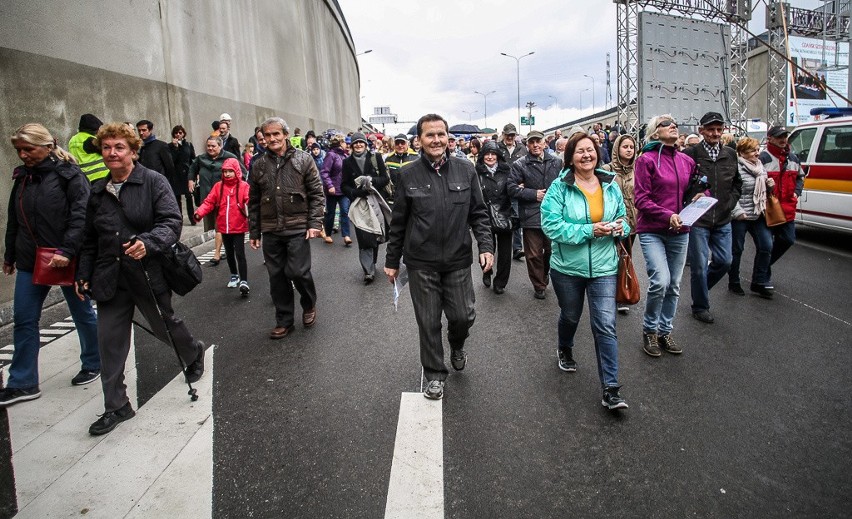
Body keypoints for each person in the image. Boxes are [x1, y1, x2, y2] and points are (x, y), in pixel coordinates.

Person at [77, 123, 205, 435]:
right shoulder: (97, 190)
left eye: (119, 147)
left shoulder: (153, 181)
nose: (112, 153)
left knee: (164, 325)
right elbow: (90, 239)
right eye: (106, 148)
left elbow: (171, 221)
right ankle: (117, 406)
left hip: (147, 272)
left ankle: (192, 351)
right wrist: (82, 274)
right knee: (109, 341)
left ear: (134, 152)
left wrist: (147, 242)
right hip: (110, 276)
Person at [384, 114, 493, 401]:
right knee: (429, 322)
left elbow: (479, 213)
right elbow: (398, 222)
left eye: (441, 134)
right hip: (421, 263)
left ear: (448, 138)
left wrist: (485, 246)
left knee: (462, 317)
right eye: (429, 135)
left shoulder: (465, 170)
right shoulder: (407, 174)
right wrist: (392, 261)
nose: (436, 140)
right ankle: (434, 375)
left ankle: (457, 345)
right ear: (418, 140)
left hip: (457, 260)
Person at [1, 123, 101, 407]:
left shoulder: (70, 176)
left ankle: (94, 362)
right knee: (24, 319)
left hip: (65, 259)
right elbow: (15, 219)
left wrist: (68, 251)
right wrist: (10, 255)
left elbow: (80, 217)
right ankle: (22, 382)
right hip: (30, 261)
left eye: (28, 149)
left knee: (82, 312)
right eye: (19, 150)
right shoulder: (22, 178)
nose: (23, 155)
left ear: (48, 145)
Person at [540, 132, 630, 410]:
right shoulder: (559, 187)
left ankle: (611, 389)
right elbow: (551, 226)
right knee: (570, 315)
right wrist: (590, 230)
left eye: (590, 150)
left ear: (597, 153)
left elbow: (624, 220)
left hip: (604, 267)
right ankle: (565, 347)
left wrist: (619, 228)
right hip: (567, 268)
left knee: (605, 325)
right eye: (580, 151)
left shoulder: (611, 184)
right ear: (570, 157)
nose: (587, 155)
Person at [248, 117, 324, 339]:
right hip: (271, 229)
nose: (272, 139)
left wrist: (314, 223)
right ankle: (284, 321)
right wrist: (254, 231)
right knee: (277, 277)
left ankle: (309, 303)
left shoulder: (304, 160)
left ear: (285, 135)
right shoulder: (259, 165)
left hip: (297, 226)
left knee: (298, 272)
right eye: (267, 135)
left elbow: (317, 194)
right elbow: (253, 201)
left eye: (276, 134)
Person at [633, 114, 694, 357]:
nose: (673, 125)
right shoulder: (646, 160)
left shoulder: (686, 161)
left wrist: (701, 196)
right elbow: (641, 199)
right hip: (652, 230)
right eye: (666, 123)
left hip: (681, 230)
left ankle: (664, 331)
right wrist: (667, 214)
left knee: (675, 284)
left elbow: (697, 188)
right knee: (661, 281)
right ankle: (649, 330)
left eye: (674, 123)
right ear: (655, 133)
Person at [682, 112, 742, 324]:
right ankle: (700, 306)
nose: (715, 133)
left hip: (723, 218)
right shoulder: (690, 154)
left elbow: (737, 184)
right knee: (698, 265)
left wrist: (730, 203)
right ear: (701, 131)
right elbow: (682, 185)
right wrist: (690, 201)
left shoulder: (730, 154)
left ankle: (700, 290)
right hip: (699, 220)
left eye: (719, 129)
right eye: (710, 129)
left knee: (725, 261)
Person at [506, 130, 562, 299]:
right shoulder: (520, 164)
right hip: (530, 215)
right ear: (527, 144)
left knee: (551, 251)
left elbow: (566, 184)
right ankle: (539, 285)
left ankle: (544, 275)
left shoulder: (557, 162)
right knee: (533, 254)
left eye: (538, 141)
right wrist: (532, 194)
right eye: (532, 142)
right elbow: (511, 188)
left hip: (554, 214)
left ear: (545, 143)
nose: (536, 145)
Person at [194, 157, 251, 296]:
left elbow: (250, 201)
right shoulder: (218, 187)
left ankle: (244, 281)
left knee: (240, 253)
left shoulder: (243, 186)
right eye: (225, 171)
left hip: (238, 226)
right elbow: (209, 202)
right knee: (229, 253)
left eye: (230, 171)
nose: (227, 174)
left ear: (236, 171)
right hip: (223, 227)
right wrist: (199, 213)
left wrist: (254, 214)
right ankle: (234, 275)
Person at [758, 126, 805, 292]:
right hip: (767, 209)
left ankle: (761, 269)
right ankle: (762, 278)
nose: (783, 139)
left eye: (785, 136)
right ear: (769, 138)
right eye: (779, 136)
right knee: (766, 245)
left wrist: (797, 193)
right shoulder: (762, 158)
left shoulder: (793, 158)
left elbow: (800, 177)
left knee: (788, 240)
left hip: (787, 209)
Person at [188, 135, 245, 265]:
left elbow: (241, 174)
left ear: (220, 146)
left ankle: (219, 252)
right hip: (207, 197)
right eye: (208, 146)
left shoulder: (230, 158)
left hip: (225, 199)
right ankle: (221, 248)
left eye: (213, 146)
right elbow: (192, 168)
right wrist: (191, 180)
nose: (210, 148)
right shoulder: (201, 158)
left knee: (221, 225)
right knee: (211, 228)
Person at [729, 137, 774, 298]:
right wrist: (738, 212)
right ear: (742, 152)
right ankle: (734, 281)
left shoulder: (760, 167)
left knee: (766, 246)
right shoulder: (735, 167)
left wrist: (770, 187)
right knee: (737, 250)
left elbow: (763, 193)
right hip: (741, 216)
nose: (757, 153)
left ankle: (759, 281)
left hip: (758, 213)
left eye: (757, 149)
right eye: (753, 150)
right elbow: (730, 193)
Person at [342, 132, 390, 283]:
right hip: (359, 204)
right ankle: (368, 270)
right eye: (355, 143)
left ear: (365, 144)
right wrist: (355, 192)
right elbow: (343, 185)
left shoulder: (376, 158)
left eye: (361, 142)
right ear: (352, 145)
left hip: (376, 202)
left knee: (375, 234)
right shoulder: (347, 162)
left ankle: (372, 262)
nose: (358, 145)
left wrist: (372, 181)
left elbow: (385, 178)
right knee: (364, 236)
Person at [602, 133, 638, 313]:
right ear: (617, 148)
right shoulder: (607, 169)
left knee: (626, 259)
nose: (629, 150)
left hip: (632, 223)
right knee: (612, 258)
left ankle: (622, 293)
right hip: (613, 222)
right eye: (625, 147)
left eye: (632, 147)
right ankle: (609, 296)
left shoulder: (637, 169)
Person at [476, 140, 513, 294]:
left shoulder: (508, 171)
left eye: (493, 154)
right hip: (484, 216)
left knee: (505, 254)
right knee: (486, 247)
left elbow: (514, 190)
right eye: (487, 154)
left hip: (505, 214)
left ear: (498, 156)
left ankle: (500, 282)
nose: (490, 157)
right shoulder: (476, 172)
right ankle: (486, 271)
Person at [497, 123, 527, 261]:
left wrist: (524, 182)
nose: (510, 137)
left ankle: (517, 248)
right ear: (503, 134)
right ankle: (499, 246)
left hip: (515, 188)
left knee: (517, 218)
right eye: (508, 134)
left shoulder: (522, 149)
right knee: (499, 218)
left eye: (512, 135)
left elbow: (527, 167)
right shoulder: (497, 148)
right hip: (501, 190)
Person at [318, 134, 351, 246]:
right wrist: (330, 185)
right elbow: (324, 172)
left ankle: (346, 235)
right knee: (330, 213)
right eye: (345, 142)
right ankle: (327, 234)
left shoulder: (345, 156)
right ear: (340, 143)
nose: (347, 144)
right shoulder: (331, 155)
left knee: (345, 212)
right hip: (332, 190)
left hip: (343, 189)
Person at [136, 120, 177, 193]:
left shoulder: (161, 146)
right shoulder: (140, 147)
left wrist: (164, 184)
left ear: (150, 130)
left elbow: (170, 167)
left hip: (158, 185)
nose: (141, 133)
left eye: (144, 130)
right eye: (139, 130)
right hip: (143, 185)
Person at [67, 113, 108, 183]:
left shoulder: (72, 140)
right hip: (100, 177)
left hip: (84, 179)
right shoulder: (90, 140)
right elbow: (107, 151)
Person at [169, 125, 197, 225]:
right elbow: (171, 160)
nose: (178, 135)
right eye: (176, 133)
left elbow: (193, 159)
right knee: (177, 198)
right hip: (176, 176)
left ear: (184, 134)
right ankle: (179, 218)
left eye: (180, 133)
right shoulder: (170, 146)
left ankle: (192, 218)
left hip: (187, 175)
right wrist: (175, 148)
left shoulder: (188, 145)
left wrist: (195, 174)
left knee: (189, 197)